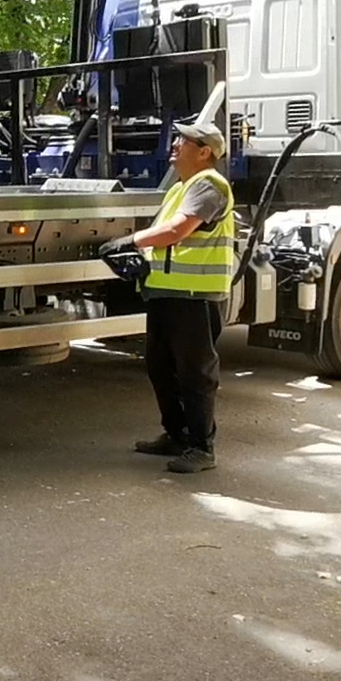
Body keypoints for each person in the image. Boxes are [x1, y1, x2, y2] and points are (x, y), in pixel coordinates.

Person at [103, 119, 236, 475]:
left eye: (184, 140)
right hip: (168, 291)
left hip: (194, 295)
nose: (175, 144)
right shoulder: (183, 186)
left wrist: (130, 241)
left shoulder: (209, 184)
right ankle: (176, 435)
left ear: (204, 151)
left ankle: (201, 447)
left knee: (195, 374)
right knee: (160, 366)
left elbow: (178, 231)